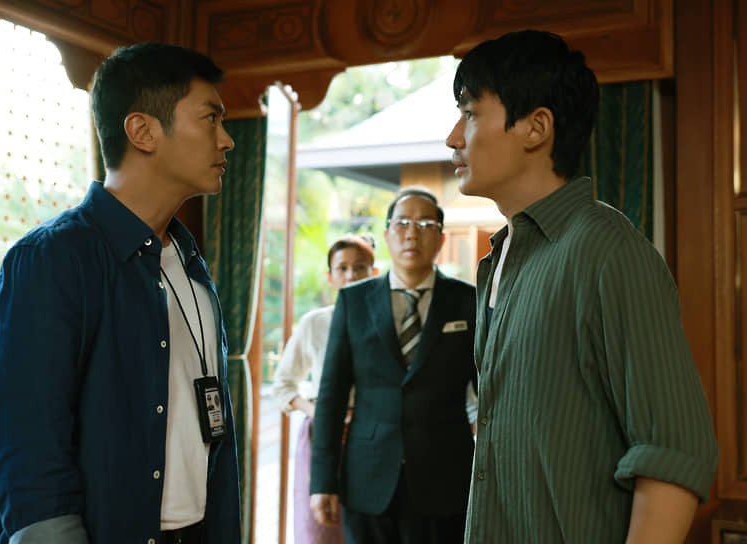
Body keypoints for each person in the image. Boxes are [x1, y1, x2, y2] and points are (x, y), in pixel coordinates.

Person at [445, 29, 719, 542]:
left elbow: (674, 453)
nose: (453, 137)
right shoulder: (500, 259)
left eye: (471, 113)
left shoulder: (606, 250)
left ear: (536, 127)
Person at [0, 43, 241, 544]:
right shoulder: (53, 258)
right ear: (142, 131)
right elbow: (29, 456)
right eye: (211, 119)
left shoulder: (190, 265)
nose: (227, 140)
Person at [310, 187, 478, 544]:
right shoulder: (354, 301)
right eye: (402, 223)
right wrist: (322, 480)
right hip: (367, 475)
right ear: (386, 235)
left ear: (441, 238)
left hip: (446, 476)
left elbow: (490, 392)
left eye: (425, 224)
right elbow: (331, 396)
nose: (412, 233)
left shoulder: (468, 301)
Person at [271, 234, 379, 544]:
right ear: (329, 277)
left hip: (373, 438)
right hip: (322, 437)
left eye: (360, 267)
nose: (351, 275)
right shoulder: (314, 323)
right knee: (320, 530)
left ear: (374, 273)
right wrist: (317, 412)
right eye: (342, 268)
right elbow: (283, 385)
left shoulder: (385, 323)